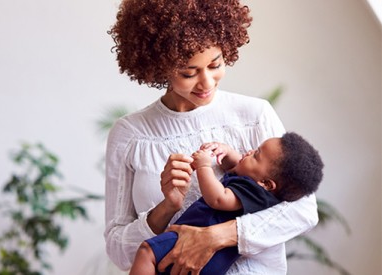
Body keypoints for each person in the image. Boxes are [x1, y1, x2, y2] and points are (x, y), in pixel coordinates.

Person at [104, 0, 319, 274]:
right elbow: (118, 250)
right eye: (188, 72)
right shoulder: (130, 135)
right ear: (159, 67)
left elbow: (302, 211)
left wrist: (217, 237)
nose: (206, 83)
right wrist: (167, 206)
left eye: (215, 65)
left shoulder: (254, 115)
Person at [128, 133, 324, 275]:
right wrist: (227, 152)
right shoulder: (260, 190)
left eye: (256, 155)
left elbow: (219, 198)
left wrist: (204, 165)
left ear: (265, 184)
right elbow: (238, 165)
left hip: (197, 246)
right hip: (212, 261)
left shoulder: (252, 191)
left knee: (147, 252)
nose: (248, 152)